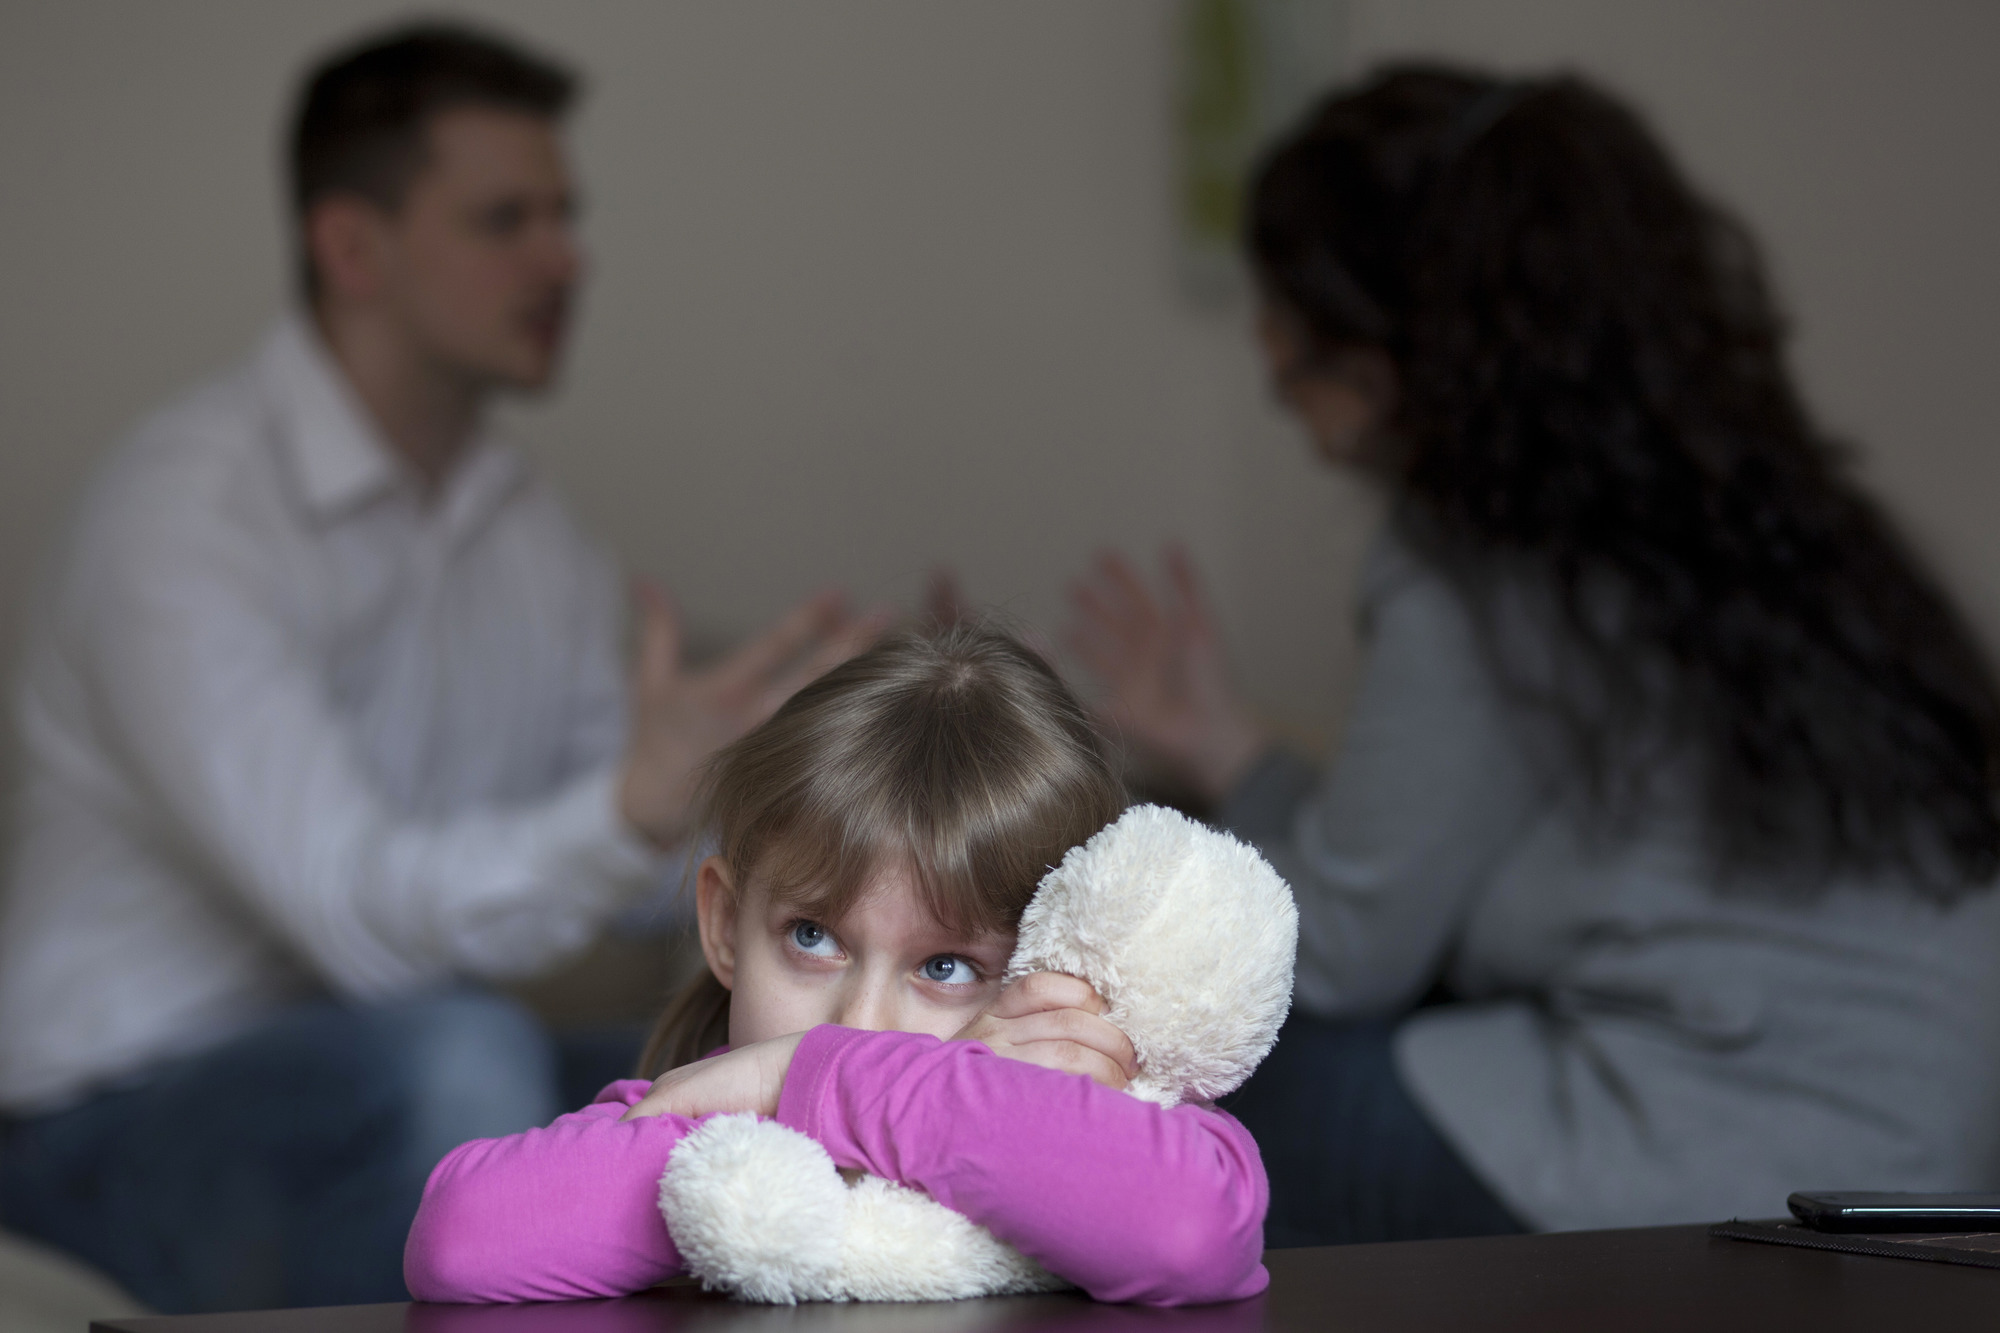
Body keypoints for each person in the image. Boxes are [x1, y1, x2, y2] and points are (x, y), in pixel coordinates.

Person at [0, 22, 875, 1314]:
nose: (564, 258)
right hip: (111, 1122)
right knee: (466, 1055)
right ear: (352, 248)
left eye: (565, 216)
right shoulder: (182, 520)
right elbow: (366, 921)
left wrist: (812, 801)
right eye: (504, 219)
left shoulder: (528, 536)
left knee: (762, 1076)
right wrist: (628, 807)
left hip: (389, 1067)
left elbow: (616, 866)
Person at [1068, 65, 2000, 1246]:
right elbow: (1414, 857)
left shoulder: (1479, 554)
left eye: (1291, 351)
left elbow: (1350, 954)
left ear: (1382, 353)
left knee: (1152, 1094)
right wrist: (1228, 746)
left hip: (1713, 1160)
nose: (1281, 393)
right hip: (1930, 1156)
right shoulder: (1763, 517)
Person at [402, 626, 1270, 1306]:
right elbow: (458, 1238)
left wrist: (832, 1079)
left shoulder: (1102, 1111)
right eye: (813, 938)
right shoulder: (706, 1123)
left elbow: (1192, 1230)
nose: (860, 1024)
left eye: (946, 965)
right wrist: (805, 1091)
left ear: (1054, 968)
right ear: (723, 926)